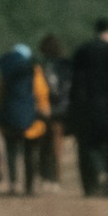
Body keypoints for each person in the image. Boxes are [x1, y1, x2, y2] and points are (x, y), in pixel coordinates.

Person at [66, 17, 108, 195]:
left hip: (86, 105)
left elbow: (74, 80)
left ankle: (91, 186)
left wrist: (73, 105)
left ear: (97, 32)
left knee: (86, 144)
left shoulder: (83, 50)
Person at [0, 39, 51, 194]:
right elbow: (41, 93)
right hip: (30, 119)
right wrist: (44, 110)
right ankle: (29, 187)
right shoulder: (34, 70)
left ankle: (13, 184)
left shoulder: (5, 71)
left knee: (11, 151)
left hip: (8, 117)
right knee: (30, 152)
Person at [36, 33, 71, 188]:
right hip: (62, 109)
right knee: (57, 145)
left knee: (43, 143)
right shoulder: (66, 65)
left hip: (43, 108)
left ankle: (44, 177)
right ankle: (56, 179)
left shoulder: (40, 65)